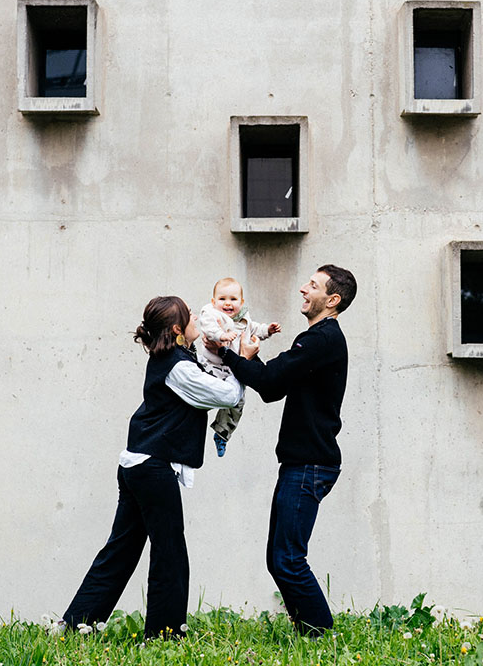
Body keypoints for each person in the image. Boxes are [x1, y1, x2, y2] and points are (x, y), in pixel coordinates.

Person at [62, 296, 247, 638]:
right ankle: (165, 633)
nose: (197, 316)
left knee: (121, 549)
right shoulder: (179, 366)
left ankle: (76, 623)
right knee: (169, 550)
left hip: (139, 463)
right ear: (178, 329)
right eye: (190, 316)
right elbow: (226, 396)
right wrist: (243, 362)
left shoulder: (175, 358)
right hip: (152, 468)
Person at [214, 264, 357, 637]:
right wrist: (246, 358)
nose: (303, 289)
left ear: (333, 299)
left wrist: (229, 354)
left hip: (310, 464)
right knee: (279, 560)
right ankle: (309, 632)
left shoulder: (322, 339)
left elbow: (270, 380)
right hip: (301, 462)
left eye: (313, 285)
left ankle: (322, 636)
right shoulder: (317, 340)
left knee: (289, 560)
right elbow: (273, 388)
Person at [195, 277, 281, 456]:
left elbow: (254, 329)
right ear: (214, 301)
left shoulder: (243, 318)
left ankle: (222, 433)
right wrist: (221, 335)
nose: (227, 304)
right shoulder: (210, 312)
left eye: (233, 299)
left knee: (237, 402)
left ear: (241, 302)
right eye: (222, 299)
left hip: (233, 369)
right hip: (212, 366)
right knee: (206, 394)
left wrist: (267, 330)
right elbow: (208, 327)